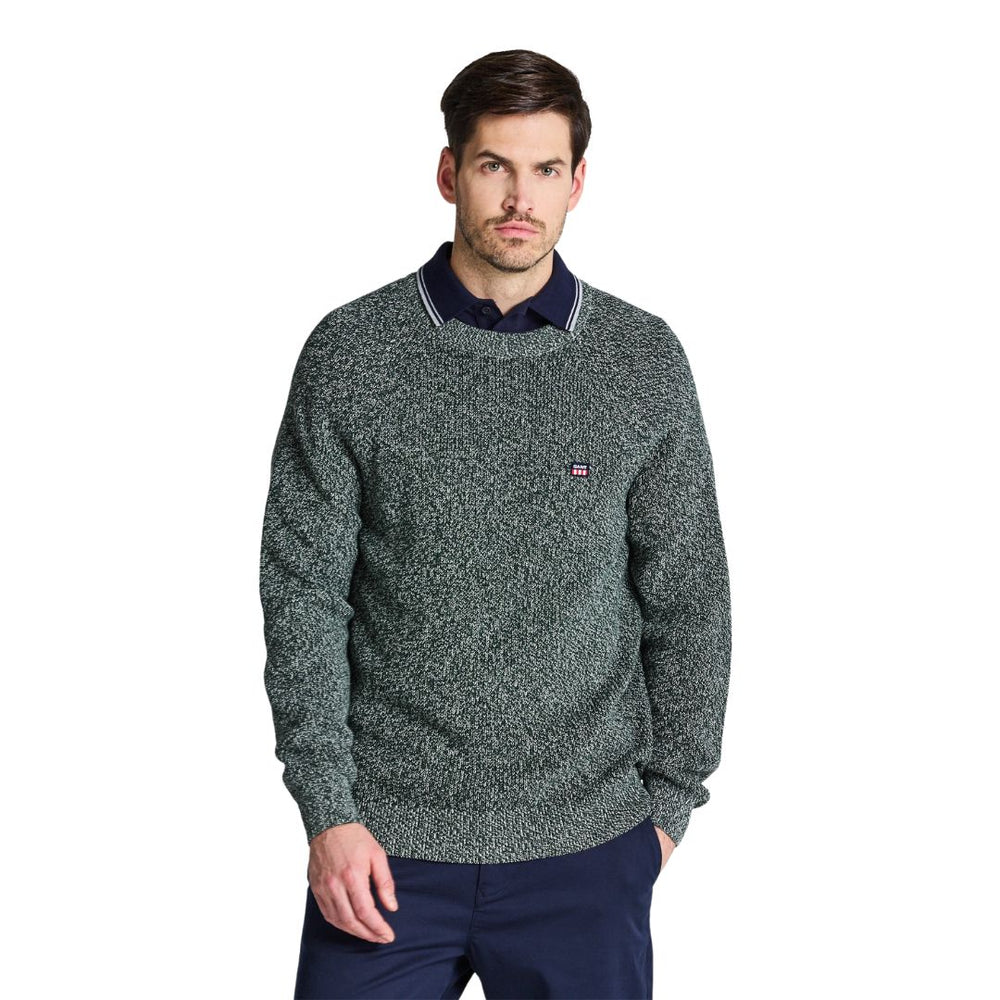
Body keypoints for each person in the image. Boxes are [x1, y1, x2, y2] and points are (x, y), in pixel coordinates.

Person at [259, 48, 732, 1000]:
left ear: (578, 182)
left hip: (588, 847)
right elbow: (301, 594)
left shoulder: (640, 360)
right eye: (494, 166)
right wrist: (327, 811)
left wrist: (667, 809)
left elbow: (690, 596)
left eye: (546, 169)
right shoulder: (352, 353)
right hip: (382, 847)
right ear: (449, 173)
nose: (521, 198)